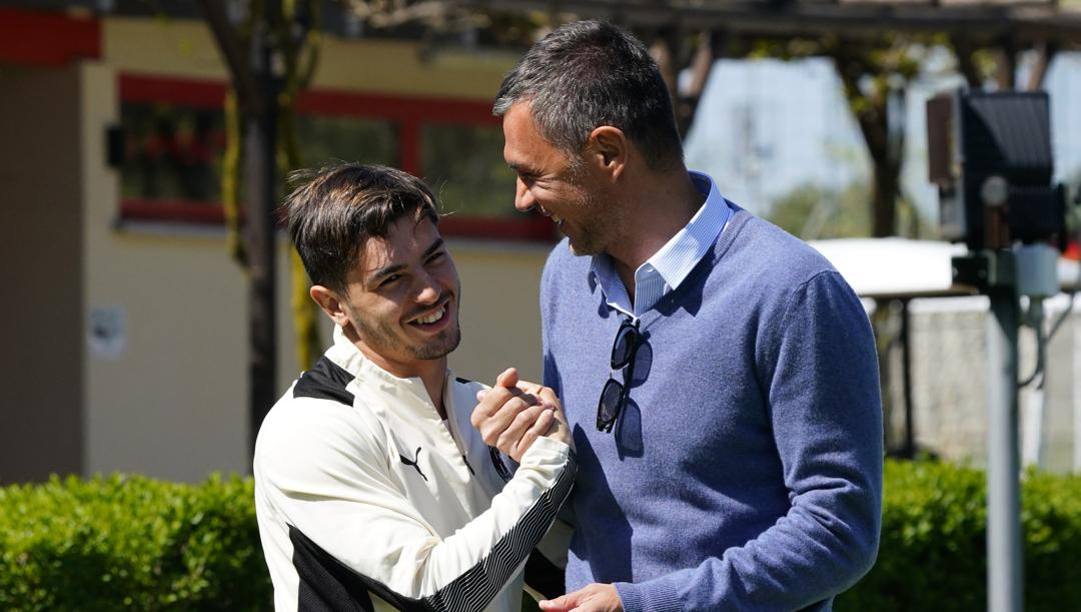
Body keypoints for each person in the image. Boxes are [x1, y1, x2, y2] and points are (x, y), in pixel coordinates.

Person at [481, 20, 884, 611]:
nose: (520, 200)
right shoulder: (564, 275)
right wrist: (524, 446)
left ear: (608, 152)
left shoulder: (792, 290)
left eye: (531, 174)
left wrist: (650, 604)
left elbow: (838, 531)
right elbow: (591, 501)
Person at [254, 163, 576, 611]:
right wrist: (548, 464)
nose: (429, 291)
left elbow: (562, 577)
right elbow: (439, 595)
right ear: (333, 305)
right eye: (392, 278)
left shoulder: (480, 409)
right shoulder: (308, 428)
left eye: (434, 257)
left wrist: (538, 452)